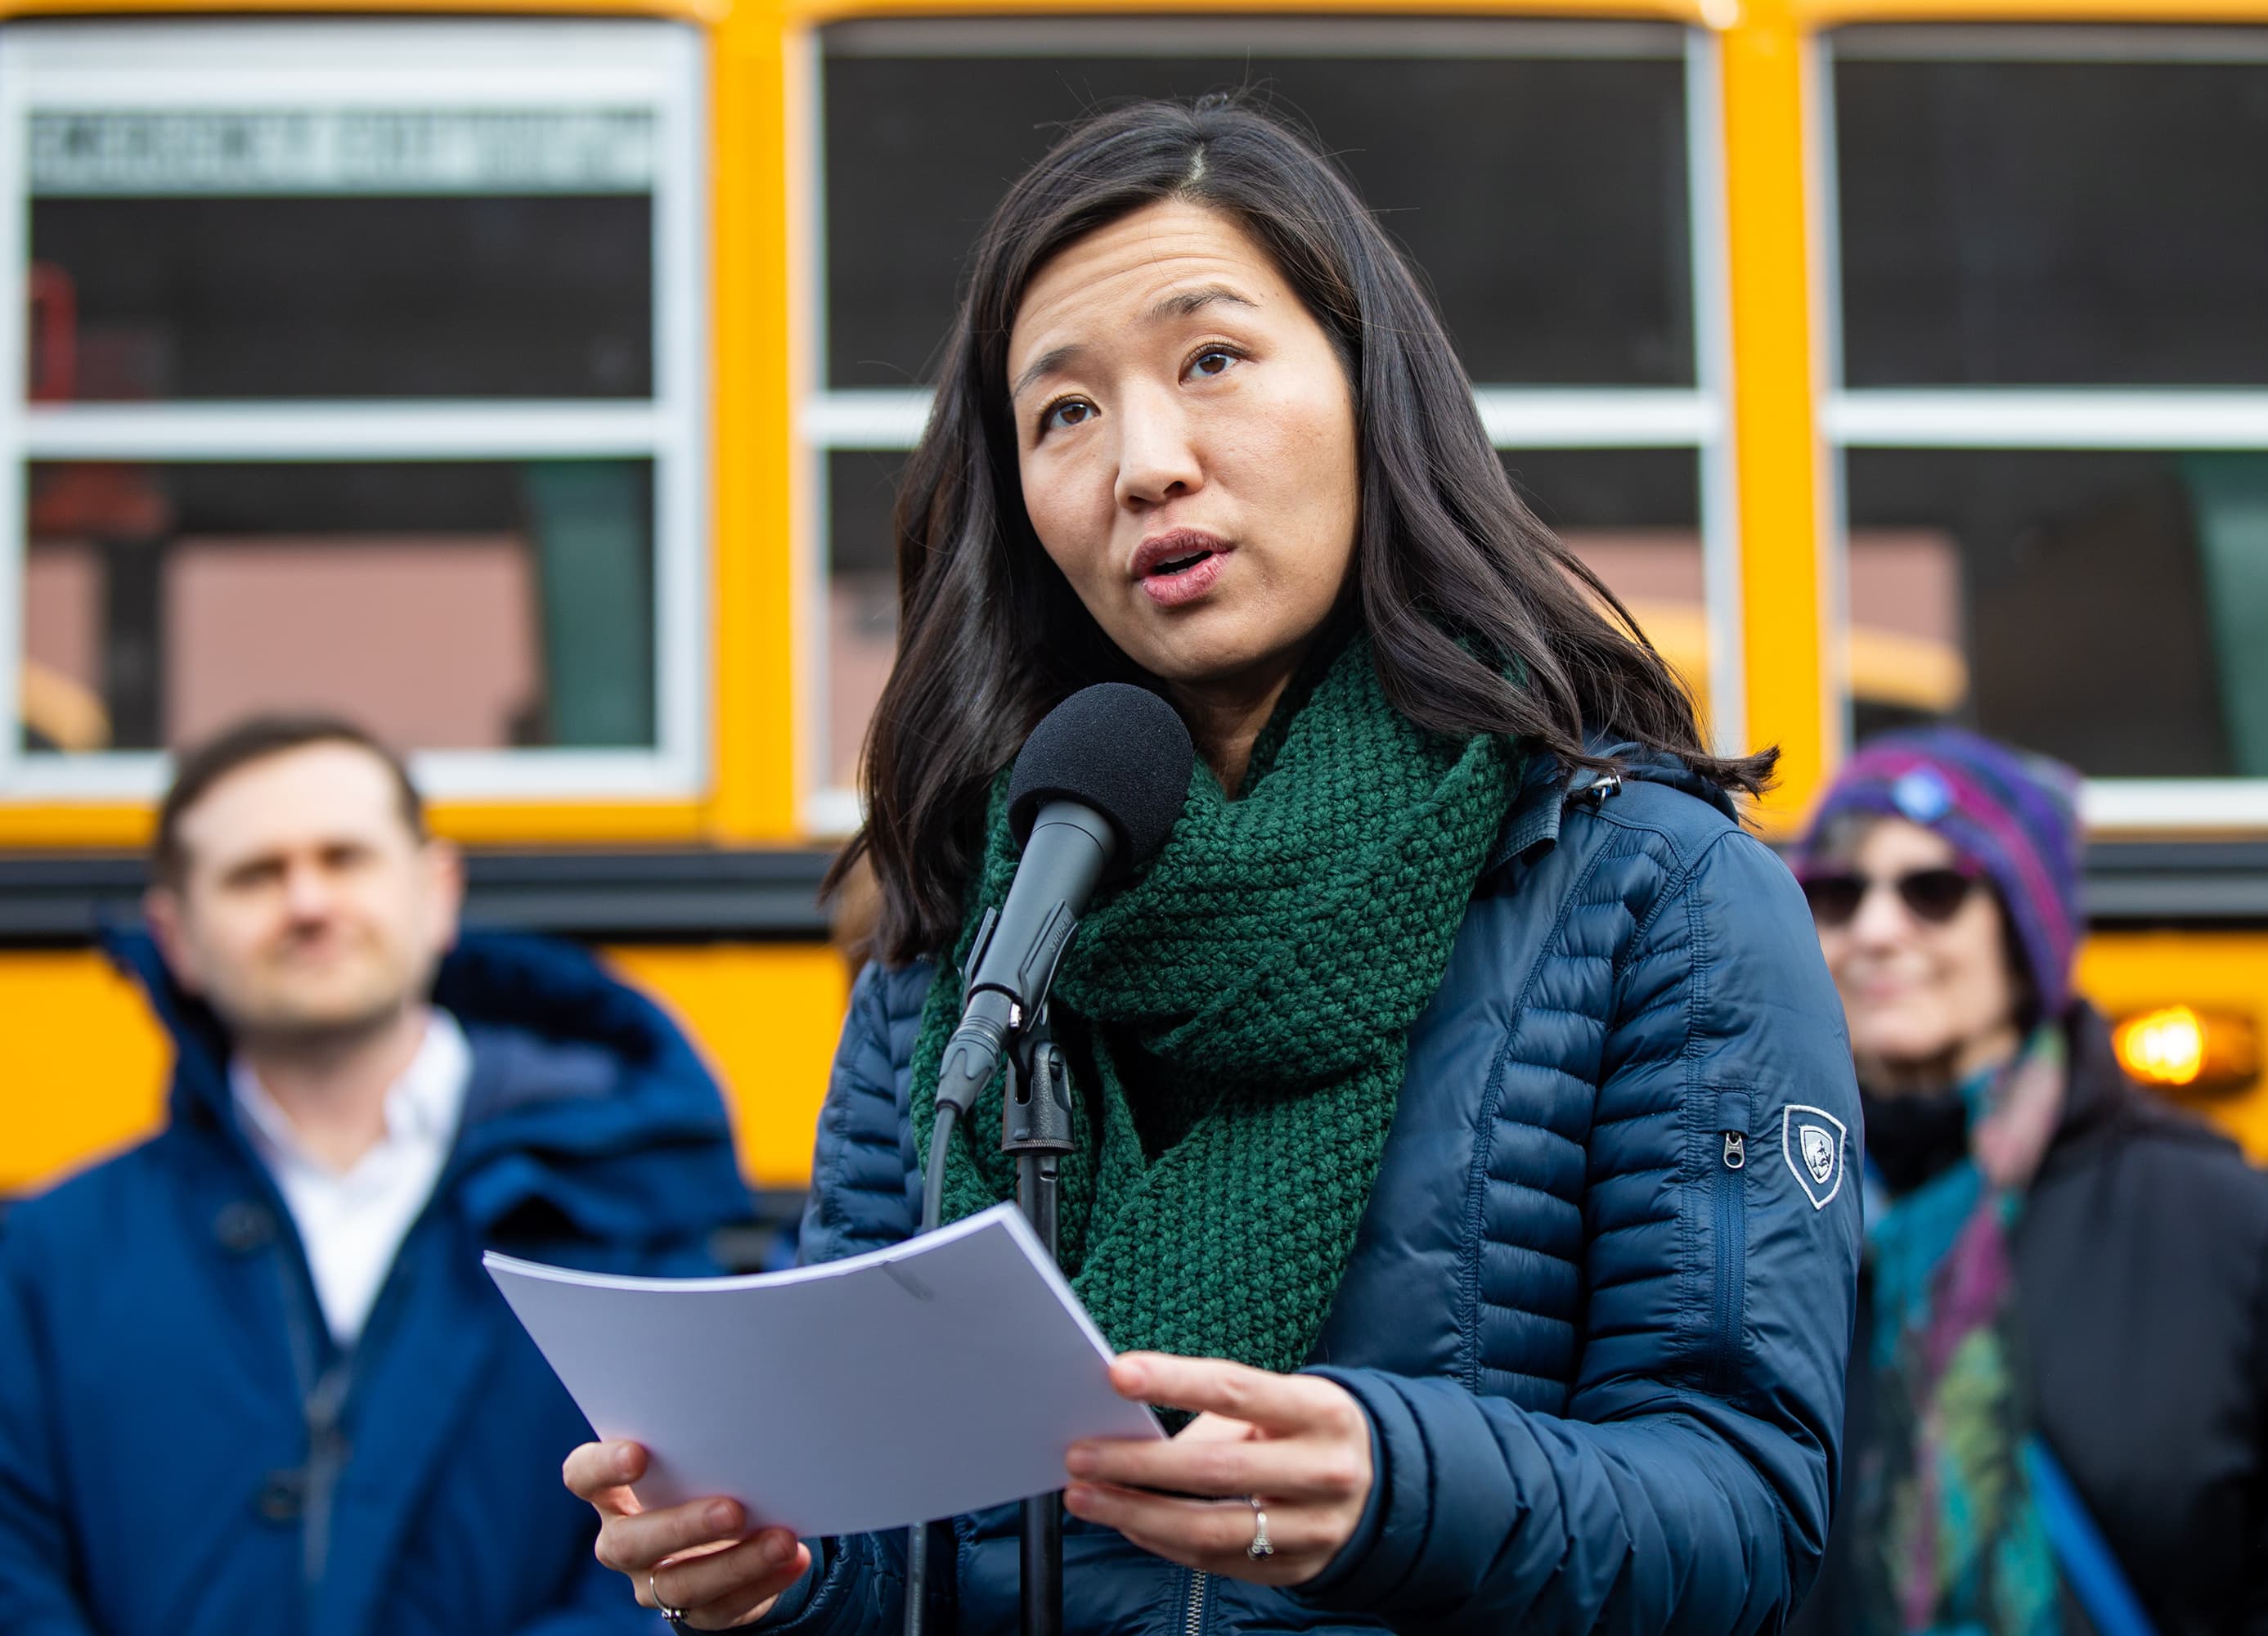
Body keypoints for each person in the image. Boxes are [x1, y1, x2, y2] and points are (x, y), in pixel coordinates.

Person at [564, 95, 1862, 1634]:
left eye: (1213, 361)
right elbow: (892, 1545)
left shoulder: (1654, 898)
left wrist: (1400, 1486)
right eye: (1065, 414)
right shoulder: (963, 947)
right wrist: (763, 1568)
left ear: (1372, 393)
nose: (1147, 464)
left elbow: (1749, 1513)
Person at [0, 714, 751, 1636]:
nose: (308, 900)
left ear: (439, 891)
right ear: (176, 936)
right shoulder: (45, 1257)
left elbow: (679, 1565)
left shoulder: (629, 1205)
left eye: (345, 857)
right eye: (255, 873)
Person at [1783, 726, 2268, 1634]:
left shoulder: (2234, 1233)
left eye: (1935, 889)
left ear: (2027, 932)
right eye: (1840, 894)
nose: (1880, 930)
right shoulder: (1741, 1208)